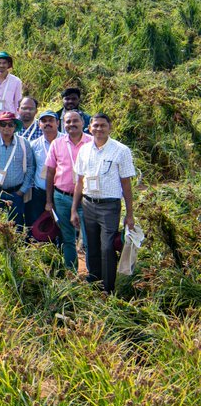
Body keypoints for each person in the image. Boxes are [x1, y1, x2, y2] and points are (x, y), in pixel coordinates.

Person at [71, 113, 136, 293]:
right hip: (88, 204)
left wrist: (129, 214)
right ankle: (94, 283)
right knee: (91, 246)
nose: (99, 129)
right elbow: (79, 182)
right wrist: (74, 209)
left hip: (109, 206)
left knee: (107, 248)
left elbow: (126, 185)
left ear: (110, 127)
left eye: (103, 125)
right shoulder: (84, 150)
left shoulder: (121, 150)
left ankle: (108, 289)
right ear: (89, 128)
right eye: (95, 125)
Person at [45, 110, 92, 275]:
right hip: (62, 197)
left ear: (83, 123)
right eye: (68, 122)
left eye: (75, 121)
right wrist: (49, 201)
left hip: (87, 199)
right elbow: (50, 173)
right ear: (62, 125)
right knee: (67, 238)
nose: (72, 124)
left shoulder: (92, 143)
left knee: (89, 239)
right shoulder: (56, 144)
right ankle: (71, 273)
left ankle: (92, 276)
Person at [0, 111, 36, 230]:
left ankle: (14, 249)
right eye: (3, 124)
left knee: (16, 228)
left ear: (15, 127)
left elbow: (30, 167)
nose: (7, 127)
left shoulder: (24, 143)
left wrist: (22, 191)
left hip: (16, 192)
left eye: (10, 124)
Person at [28, 110, 60, 238]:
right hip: (39, 190)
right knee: (39, 224)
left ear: (57, 123)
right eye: (44, 121)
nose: (47, 123)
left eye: (51, 120)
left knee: (60, 225)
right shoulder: (34, 145)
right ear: (39, 125)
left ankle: (60, 250)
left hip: (59, 191)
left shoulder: (65, 141)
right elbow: (31, 167)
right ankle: (41, 252)